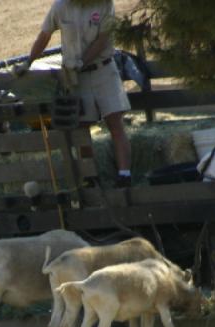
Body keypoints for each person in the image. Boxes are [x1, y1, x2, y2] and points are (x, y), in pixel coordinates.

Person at [15, 0, 132, 187]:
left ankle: (125, 174)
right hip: (76, 77)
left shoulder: (104, 4)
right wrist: (28, 62)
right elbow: (44, 36)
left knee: (115, 121)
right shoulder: (60, 7)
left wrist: (82, 61)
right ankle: (90, 176)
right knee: (82, 127)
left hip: (103, 69)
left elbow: (103, 39)